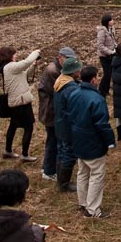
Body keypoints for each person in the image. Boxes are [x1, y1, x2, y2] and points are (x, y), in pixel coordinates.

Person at [68, 64, 116, 218]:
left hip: (78, 139)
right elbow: (102, 124)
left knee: (82, 172)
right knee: (96, 174)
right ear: (94, 79)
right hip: (93, 142)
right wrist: (110, 141)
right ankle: (93, 209)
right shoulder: (97, 98)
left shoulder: (74, 94)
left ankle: (83, 203)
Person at [38, 47, 76, 182]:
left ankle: (49, 167)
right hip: (50, 112)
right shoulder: (53, 71)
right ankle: (48, 171)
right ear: (60, 57)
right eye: (67, 59)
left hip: (52, 110)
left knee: (53, 140)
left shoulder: (56, 68)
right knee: (53, 141)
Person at [0, 46, 41, 162]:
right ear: (9, 56)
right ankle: (25, 154)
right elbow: (26, 62)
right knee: (29, 127)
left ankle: (8, 150)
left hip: (16, 102)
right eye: (14, 54)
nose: (16, 55)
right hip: (21, 102)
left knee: (13, 126)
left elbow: (25, 75)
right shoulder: (10, 67)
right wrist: (35, 52)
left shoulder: (10, 68)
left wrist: (33, 66)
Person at [53, 57, 82, 193]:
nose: (80, 71)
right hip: (67, 126)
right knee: (68, 153)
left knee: (61, 151)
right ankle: (64, 184)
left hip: (59, 123)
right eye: (78, 69)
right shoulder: (71, 88)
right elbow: (75, 109)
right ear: (73, 71)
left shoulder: (60, 81)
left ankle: (60, 179)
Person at [96, 13, 116, 86]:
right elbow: (100, 45)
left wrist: (116, 48)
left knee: (110, 73)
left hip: (111, 55)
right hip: (104, 56)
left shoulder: (111, 29)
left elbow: (113, 40)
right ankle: (102, 90)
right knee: (107, 74)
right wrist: (110, 52)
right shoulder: (102, 31)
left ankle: (106, 90)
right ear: (107, 21)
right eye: (111, 19)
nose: (113, 21)